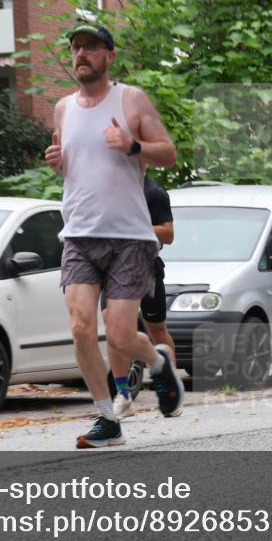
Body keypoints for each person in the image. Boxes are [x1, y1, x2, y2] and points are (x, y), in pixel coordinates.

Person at [44, 24, 184, 448]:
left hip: (128, 237)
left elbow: (170, 153)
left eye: (90, 47)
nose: (80, 54)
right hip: (79, 234)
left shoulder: (131, 99)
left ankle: (158, 364)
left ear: (110, 55)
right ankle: (108, 419)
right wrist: (58, 162)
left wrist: (133, 146)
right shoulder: (63, 109)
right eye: (75, 48)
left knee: (120, 335)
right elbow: (77, 168)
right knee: (81, 327)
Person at [105, 172, 177, 419]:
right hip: (114, 267)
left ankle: (170, 389)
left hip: (146, 265)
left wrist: (138, 228)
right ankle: (123, 394)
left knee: (157, 329)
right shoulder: (109, 188)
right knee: (112, 325)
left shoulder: (154, 193)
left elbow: (169, 234)